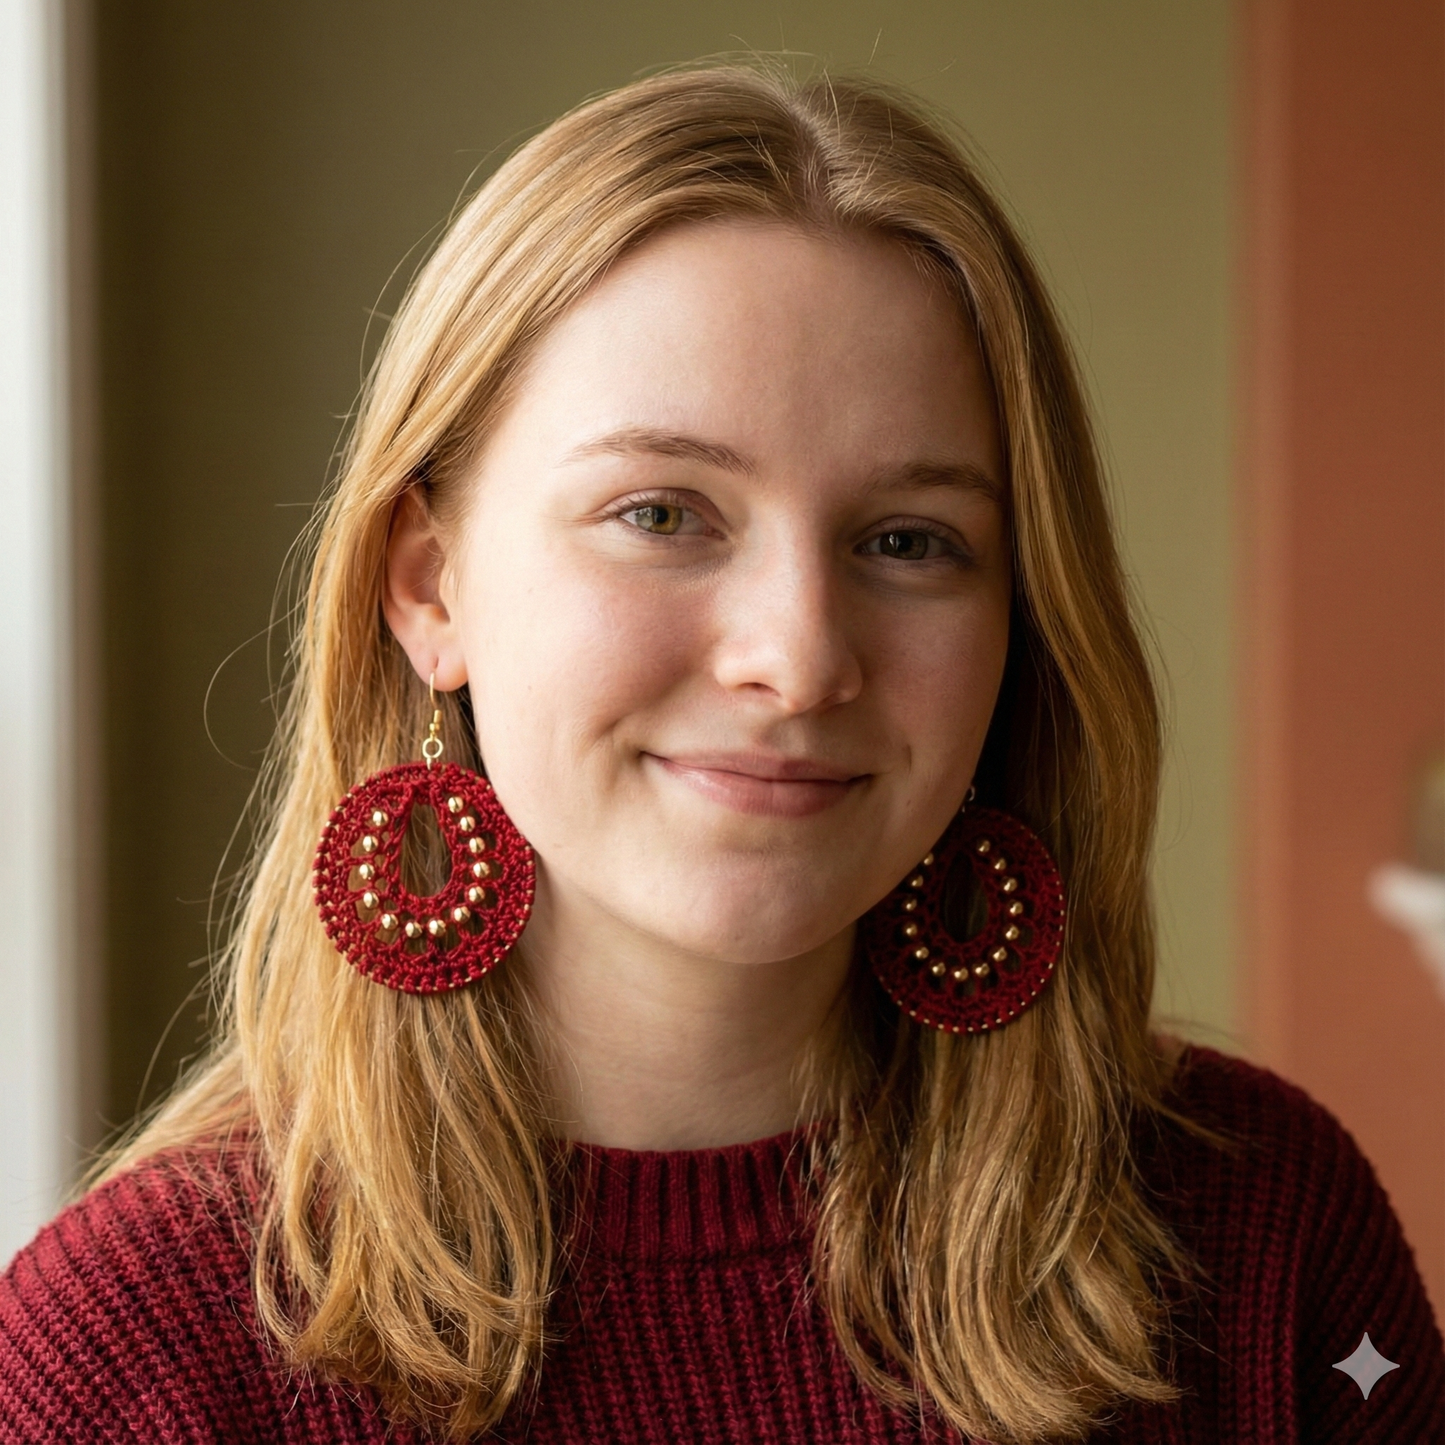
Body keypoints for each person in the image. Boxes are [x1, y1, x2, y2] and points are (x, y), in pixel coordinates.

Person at [1, 62, 1440, 1445]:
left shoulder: (1264, 1238)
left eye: (908, 541)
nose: (800, 656)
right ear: (433, 587)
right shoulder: (133, 1357)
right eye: (663, 514)